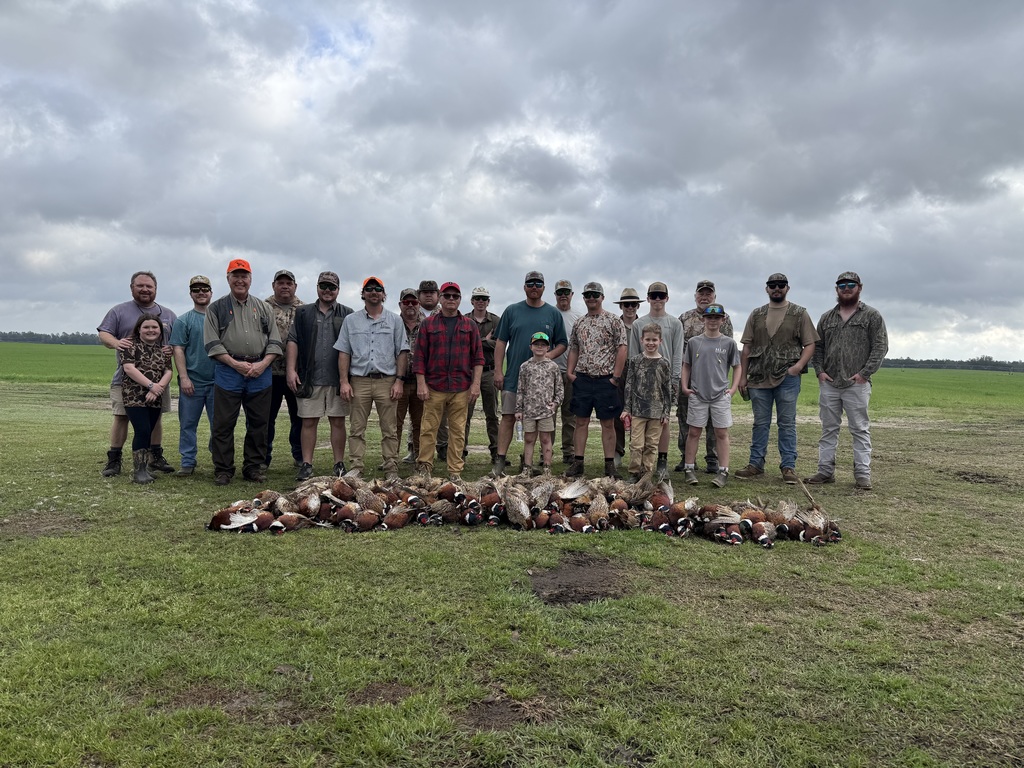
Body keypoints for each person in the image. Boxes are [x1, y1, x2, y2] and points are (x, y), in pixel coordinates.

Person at [805, 271, 888, 490]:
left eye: (851, 284)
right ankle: (825, 471)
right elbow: (818, 347)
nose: (846, 288)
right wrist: (820, 371)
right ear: (836, 289)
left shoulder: (871, 316)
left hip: (856, 385)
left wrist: (864, 374)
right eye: (842, 285)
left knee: (859, 429)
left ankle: (862, 475)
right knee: (828, 429)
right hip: (829, 383)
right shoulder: (826, 318)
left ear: (859, 287)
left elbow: (880, 347)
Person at [204, 259, 284, 486]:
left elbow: (275, 342)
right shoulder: (216, 309)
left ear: (250, 279)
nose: (240, 280)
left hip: (260, 370)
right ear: (228, 278)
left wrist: (263, 364)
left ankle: (253, 467)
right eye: (235, 275)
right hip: (228, 371)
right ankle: (223, 469)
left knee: (259, 423)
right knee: (223, 423)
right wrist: (234, 364)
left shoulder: (264, 308)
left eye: (244, 275)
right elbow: (212, 343)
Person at [736, 273, 818, 484]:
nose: (777, 288)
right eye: (772, 285)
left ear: (787, 288)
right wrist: (742, 377)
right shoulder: (756, 314)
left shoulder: (799, 314)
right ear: (767, 289)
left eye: (781, 285)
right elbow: (746, 348)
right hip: (758, 377)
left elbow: (810, 344)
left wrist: (798, 367)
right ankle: (755, 464)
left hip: (787, 378)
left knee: (786, 423)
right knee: (760, 423)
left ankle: (788, 467)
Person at [97, 271, 177, 477]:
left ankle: (155, 457)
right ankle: (114, 459)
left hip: (159, 380)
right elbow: (103, 333)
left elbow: (176, 342)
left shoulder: (168, 314)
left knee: (155, 419)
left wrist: (170, 350)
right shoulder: (119, 311)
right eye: (140, 285)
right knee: (121, 417)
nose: (145, 289)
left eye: (149, 286)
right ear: (132, 287)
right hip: (127, 382)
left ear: (155, 289)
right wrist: (117, 343)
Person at [491, 271, 568, 477]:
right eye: (530, 283)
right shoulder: (512, 311)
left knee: (545, 422)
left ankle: (543, 463)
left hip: (542, 385)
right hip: (515, 375)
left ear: (544, 287)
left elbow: (562, 343)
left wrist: (546, 357)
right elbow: (500, 342)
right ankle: (500, 460)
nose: (534, 286)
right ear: (524, 286)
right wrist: (499, 370)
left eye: (538, 283)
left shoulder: (552, 313)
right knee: (508, 417)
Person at [334, 276, 409, 480]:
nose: (373, 292)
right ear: (363, 294)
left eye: (378, 289)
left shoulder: (395, 320)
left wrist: (399, 381)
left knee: (390, 428)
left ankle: (391, 467)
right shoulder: (351, 320)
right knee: (357, 427)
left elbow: (402, 352)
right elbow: (344, 352)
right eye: (369, 289)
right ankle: (356, 467)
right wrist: (344, 381)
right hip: (359, 381)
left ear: (384, 294)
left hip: (387, 380)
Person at [286, 271, 354, 480]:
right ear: (317, 287)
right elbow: (293, 341)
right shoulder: (303, 312)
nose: (327, 290)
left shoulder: (347, 313)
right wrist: (290, 369)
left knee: (338, 421)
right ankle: (307, 464)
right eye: (323, 286)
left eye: (332, 287)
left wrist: (347, 380)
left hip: (337, 379)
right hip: (309, 376)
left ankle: (339, 464)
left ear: (338, 290)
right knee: (308, 422)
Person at [412, 282, 483, 481]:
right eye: (447, 296)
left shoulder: (469, 325)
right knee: (428, 429)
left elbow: (478, 358)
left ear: (460, 300)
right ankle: (425, 467)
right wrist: (421, 383)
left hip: (461, 387)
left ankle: (454, 471)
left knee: (458, 431)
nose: (451, 299)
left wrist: (475, 385)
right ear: (440, 299)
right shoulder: (428, 324)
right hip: (434, 386)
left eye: (455, 296)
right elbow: (419, 357)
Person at [565, 282, 627, 479]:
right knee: (580, 421)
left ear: (602, 297)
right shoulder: (579, 323)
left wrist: (615, 377)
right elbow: (574, 348)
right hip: (582, 378)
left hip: (606, 380)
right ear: (583, 298)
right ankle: (578, 462)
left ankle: (609, 465)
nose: (591, 298)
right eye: (588, 294)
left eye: (595, 294)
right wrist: (570, 371)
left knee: (607, 423)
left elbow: (622, 348)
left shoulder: (613, 321)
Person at [674, 279, 735, 474]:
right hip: (690, 379)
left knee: (714, 424)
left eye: (708, 294)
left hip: (715, 382)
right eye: (701, 293)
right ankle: (687, 459)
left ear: (714, 296)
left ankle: (712, 459)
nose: (704, 297)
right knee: (687, 421)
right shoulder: (684, 318)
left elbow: (727, 352)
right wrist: (682, 380)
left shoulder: (725, 319)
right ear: (695, 296)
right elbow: (679, 350)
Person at [680, 304, 741, 488]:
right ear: (703, 320)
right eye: (709, 318)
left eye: (717, 318)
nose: (712, 321)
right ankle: (689, 468)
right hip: (698, 394)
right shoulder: (694, 342)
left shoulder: (729, 343)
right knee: (694, 432)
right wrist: (685, 386)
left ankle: (723, 471)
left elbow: (737, 366)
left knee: (721, 433)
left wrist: (733, 388)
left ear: (723, 320)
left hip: (720, 395)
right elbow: (686, 365)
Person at [630, 281, 684, 478]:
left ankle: (661, 461)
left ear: (667, 298)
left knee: (663, 421)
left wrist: (675, 380)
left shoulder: (675, 323)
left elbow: (678, 353)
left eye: (661, 296)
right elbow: (633, 354)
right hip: (642, 382)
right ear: (648, 298)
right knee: (639, 422)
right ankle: (638, 465)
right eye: (654, 296)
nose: (658, 299)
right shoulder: (638, 324)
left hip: (665, 379)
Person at [170, 275, 216, 476]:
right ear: (191, 294)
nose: (201, 293)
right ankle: (188, 461)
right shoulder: (183, 320)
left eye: (204, 289)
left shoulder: (220, 318)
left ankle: (219, 459)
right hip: (192, 382)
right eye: (196, 290)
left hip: (218, 382)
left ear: (211, 292)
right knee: (188, 424)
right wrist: (184, 378)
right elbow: (178, 349)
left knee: (220, 426)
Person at [119, 314, 173, 484]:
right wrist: (151, 386)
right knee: (141, 430)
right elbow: (129, 368)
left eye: (154, 327)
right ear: (139, 329)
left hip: (155, 396)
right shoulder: (131, 346)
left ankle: (145, 468)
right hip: (135, 396)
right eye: (146, 327)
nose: (151, 330)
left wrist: (158, 389)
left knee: (149, 431)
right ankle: (139, 471)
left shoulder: (163, 350)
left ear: (160, 330)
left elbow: (168, 372)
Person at [620, 323, 673, 483]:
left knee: (651, 444)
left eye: (654, 340)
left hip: (656, 412)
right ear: (642, 340)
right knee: (636, 444)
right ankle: (634, 472)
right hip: (637, 410)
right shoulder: (635, 361)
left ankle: (647, 473)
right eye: (648, 339)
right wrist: (626, 408)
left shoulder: (664, 363)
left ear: (660, 341)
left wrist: (666, 413)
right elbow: (629, 385)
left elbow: (667, 390)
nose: (651, 343)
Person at [264, 269, 304, 468]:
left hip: (297, 374)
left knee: (299, 417)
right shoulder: (262, 307)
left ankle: (299, 455)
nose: (285, 286)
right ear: (274, 285)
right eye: (281, 283)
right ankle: (264, 457)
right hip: (268, 372)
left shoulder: (305, 309)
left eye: (289, 283)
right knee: (266, 418)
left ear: (295, 286)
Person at [515, 332, 564, 476]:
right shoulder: (525, 366)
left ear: (548, 348)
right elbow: (521, 389)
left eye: (543, 345)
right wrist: (519, 409)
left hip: (546, 411)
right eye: (536, 344)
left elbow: (559, 388)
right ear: (531, 347)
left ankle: (547, 468)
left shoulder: (553, 367)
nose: (540, 347)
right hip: (529, 410)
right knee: (529, 438)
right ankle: (527, 468)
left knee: (545, 438)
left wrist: (555, 404)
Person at [464, 286, 501, 462]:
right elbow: (462, 346)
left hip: (489, 371)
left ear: (488, 301)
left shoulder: (496, 320)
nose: (480, 301)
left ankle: (496, 451)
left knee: (492, 414)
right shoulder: (463, 319)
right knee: (464, 414)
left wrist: (477, 342)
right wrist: (485, 341)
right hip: (468, 373)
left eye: (484, 298)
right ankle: (460, 450)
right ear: (472, 301)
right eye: (477, 298)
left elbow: (500, 344)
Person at [553, 279, 583, 464]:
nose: (563, 295)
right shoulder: (548, 313)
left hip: (571, 371)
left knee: (569, 415)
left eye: (566, 292)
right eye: (560, 292)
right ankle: (545, 452)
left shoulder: (578, 317)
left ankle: (568, 451)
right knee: (547, 415)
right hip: (550, 372)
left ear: (572, 294)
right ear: (555, 295)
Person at [612, 287, 642, 464]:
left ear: (638, 306)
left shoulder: (644, 325)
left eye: (633, 304)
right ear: (621, 306)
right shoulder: (615, 324)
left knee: (639, 413)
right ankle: (617, 451)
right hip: (619, 370)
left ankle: (637, 452)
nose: (629, 308)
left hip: (639, 370)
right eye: (626, 304)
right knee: (617, 410)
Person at [396, 289, 424, 464]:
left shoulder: (429, 324)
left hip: (421, 381)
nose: (410, 306)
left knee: (420, 424)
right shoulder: (392, 323)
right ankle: (391, 459)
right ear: (400, 304)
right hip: (398, 382)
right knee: (395, 424)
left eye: (414, 302)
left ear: (419, 304)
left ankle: (421, 458)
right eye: (406, 302)